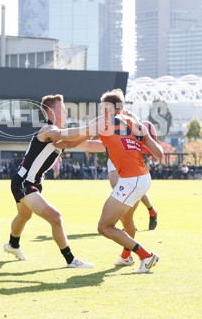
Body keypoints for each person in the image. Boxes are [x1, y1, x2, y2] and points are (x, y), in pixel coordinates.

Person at [3, 94, 103, 268]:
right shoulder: (47, 129)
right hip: (24, 183)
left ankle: (13, 245)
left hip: (29, 182)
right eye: (62, 109)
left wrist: (115, 142)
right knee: (55, 217)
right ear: (51, 111)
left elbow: (87, 145)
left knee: (24, 215)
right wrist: (90, 128)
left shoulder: (59, 136)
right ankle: (71, 260)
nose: (65, 112)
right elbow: (61, 134)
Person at [76, 89, 164, 273]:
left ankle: (146, 256)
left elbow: (93, 138)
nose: (101, 112)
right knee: (127, 220)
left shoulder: (108, 122)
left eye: (102, 108)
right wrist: (145, 139)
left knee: (105, 226)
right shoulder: (132, 120)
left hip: (131, 178)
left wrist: (66, 140)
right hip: (142, 176)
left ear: (108, 108)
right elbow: (159, 153)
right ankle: (125, 257)